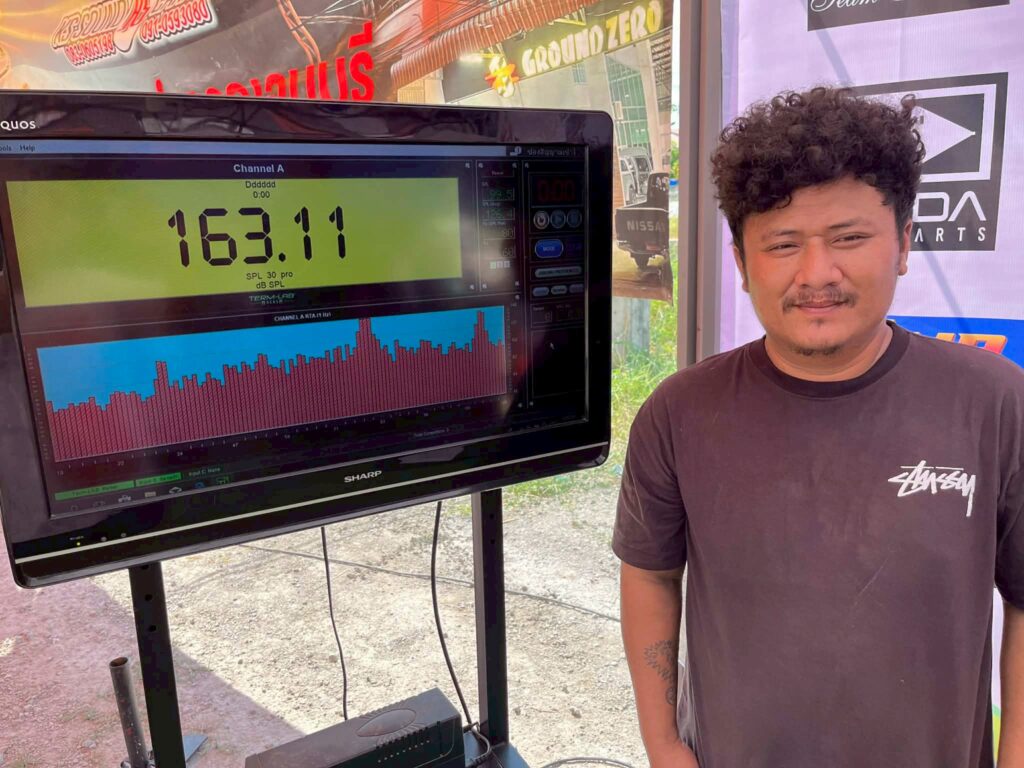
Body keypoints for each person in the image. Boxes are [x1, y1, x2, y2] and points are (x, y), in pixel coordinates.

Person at [613, 86, 1024, 767]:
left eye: (849, 238)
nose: (816, 274)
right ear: (742, 264)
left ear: (903, 244)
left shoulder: (995, 402)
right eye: (782, 244)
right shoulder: (679, 413)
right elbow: (651, 575)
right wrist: (663, 745)